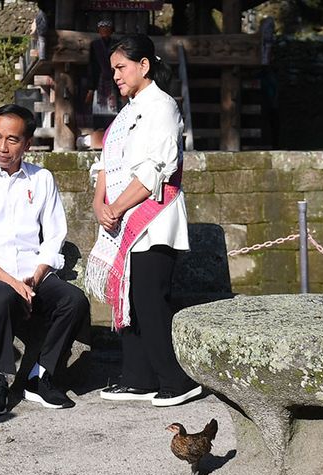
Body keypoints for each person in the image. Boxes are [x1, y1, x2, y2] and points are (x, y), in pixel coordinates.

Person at [85, 34, 201, 407]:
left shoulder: (162, 107)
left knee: (150, 299)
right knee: (129, 296)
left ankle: (176, 379)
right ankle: (138, 377)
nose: (115, 75)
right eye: (113, 68)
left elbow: (156, 170)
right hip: (124, 215)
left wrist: (115, 207)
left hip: (153, 218)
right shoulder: (127, 112)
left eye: (121, 67)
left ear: (144, 65)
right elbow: (105, 162)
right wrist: (98, 201)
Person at [0, 104, 90, 416]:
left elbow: (55, 234)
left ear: (27, 144)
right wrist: (14, 283)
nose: (2, 147)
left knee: (74, 300)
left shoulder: (41, 179)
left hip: (33, 275)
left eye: (12, 140)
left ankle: (40, 376)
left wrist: (38, 275)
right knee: (1, 295)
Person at [86, 18, 119, 117]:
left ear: (111, 31)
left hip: (113, 78)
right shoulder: (95, 45)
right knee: (99, 107)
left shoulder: (116, 44)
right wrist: (91, 87)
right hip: (99, 78)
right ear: (99, 31)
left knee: (113, 107)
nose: (104, 31)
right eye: (102, 29)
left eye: (107, 29)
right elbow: (92, 64)